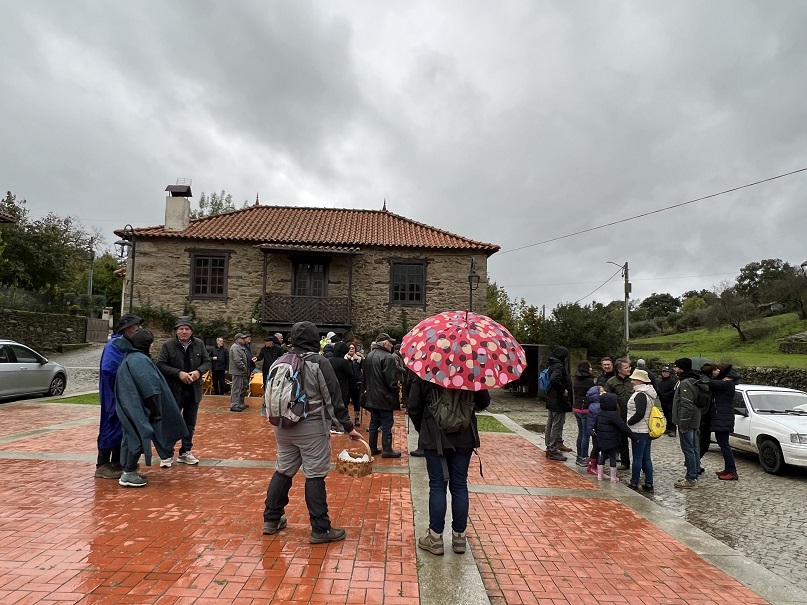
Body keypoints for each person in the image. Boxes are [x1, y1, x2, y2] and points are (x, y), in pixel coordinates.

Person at [262, 321, 362, 543]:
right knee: (315, 475)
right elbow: (333, 399)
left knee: (283, 471)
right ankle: (321, 528)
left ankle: (271, 519)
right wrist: (348, 428)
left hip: (283, 426)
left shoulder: (280, 360)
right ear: (315, 339)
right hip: (311, 427)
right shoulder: (318, 362)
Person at [407, 375, 490, 556]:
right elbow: (484, 402)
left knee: (437, 486)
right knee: (459, 485)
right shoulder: (471, 371)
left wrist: (422, 427)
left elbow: (413, 405)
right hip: (465, 437)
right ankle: (459, 537)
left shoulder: (426, 372)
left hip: (434, 437)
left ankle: (435, 538)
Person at [115, 329, 189, 487]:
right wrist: (155, 411)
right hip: (138, 408)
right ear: (148, 344)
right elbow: (149, 389)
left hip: (130, 406)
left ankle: (128, 471)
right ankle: (128, 473)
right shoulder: (140, 360)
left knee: (131, 437)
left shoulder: (130, 357)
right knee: (137, 437)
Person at [156, 316, 211, 466]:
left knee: (190, 423)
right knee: (171, 422)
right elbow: (160, 364)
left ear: (191, 331)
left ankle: (186, 452)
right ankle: (167, 454)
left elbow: (207, 362)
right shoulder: (168, 345)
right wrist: (178, 373)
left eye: (187, 329)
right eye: (181, 329)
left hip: (193, 390)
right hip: (174, 391)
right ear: (176, 331)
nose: (184, 331)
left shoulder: (199, 344)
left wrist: (198, 372)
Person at [95, 313, 142, 479]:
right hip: (113, 393)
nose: (138, 329)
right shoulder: (115, 344)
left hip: (121, 393)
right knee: (110, 424)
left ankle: (116, 462)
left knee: (120, 427)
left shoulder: (124, 343)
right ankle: (102, 465)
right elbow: (109, 368)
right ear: (127, 328)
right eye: (136, 326)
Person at [671, 357, 710, 489]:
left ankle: (691, 478)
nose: (674, 369)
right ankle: (693, 474)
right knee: (694, 449)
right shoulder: (694, 380)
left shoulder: (686, 383)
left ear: (681, 368)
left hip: (688, 422)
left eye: (676, 367)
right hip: (695, 420)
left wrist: (683, 424)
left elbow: (686, 405)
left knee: (689, 449)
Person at [363, 333, 402, 458]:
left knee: (374, 421)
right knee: (386, 422)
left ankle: (372, 448)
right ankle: (387, 449)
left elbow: (364, 377)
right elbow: (390, 380)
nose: (392, 344)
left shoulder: (369, 356)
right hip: (385, 396)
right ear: (385, 344)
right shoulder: (387, 357)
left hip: (372, 395)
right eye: (390, 342)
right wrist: (396, 391)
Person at [625, 368, 658, 491]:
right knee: (646, 458)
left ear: (639, 380)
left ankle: (634, 482)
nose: (632, 381)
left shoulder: (640, 395)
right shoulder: (649, 393)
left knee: (638, 458)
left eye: (634, 379)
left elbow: (639, 413)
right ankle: (649, 483)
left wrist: (628, 422)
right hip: (646, 430)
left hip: (639, 431)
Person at [595, 393, 636, 482]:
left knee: (603, 455)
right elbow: (623, 427)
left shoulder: (600, 413)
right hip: (612, 440)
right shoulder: (614, 415)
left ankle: (600, 475)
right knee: (612, 457)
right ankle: (613, 477)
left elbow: (595, 425)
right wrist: (634, 437)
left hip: (601, 439)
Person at [709, 363, 740, 480]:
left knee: (724, 445)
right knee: (723, 444)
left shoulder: (727, 384)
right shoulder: (727, 384)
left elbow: (710, 383)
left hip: (723, 418)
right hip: (723, 418)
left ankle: (732, 471)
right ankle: (729, 469)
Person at [604, 358, 633, 470]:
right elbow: (607, 399)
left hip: (633, 415)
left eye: (629, 367)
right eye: (626, 367)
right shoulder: (611, 382)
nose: (629, 369)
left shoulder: (633, 380)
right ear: (619, 369)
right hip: (619, 415)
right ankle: (625, 462)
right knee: (622, 439)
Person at [544, 346, 571, 461]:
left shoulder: (551, 363)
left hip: (551, 398)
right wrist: (563, 390)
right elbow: (554, 379)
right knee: (556, 425)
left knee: (550, 424)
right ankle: (552, 449)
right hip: (558, 400)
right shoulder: (559, 365)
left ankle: (549, 446)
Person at [328, 341, 357, 433]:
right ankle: (343, 424)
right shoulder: (343, 362)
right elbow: (350, 374)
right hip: (342, 386)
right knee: (343, 405)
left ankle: (332, 424)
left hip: (331, 386)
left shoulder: (329, 360)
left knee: (332, 404)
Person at [571, 360, 595, 467]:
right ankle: (584, 456)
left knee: (580, 433)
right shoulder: (589, 381)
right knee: (586, 434)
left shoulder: (576, 379)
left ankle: (579, 456)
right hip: (585, 409)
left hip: (576, 408)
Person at [228, 333, 250, 412]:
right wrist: (243, 367)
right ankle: (234, 405)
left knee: (239, 388)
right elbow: (237, 360)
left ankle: (238, 404)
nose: (244, 339)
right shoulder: (235, 348)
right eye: (242, 338)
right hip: (237, 371)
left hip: (240, 372)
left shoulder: (239, 347)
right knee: (236, 389)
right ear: (237, 339)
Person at [345, 343, 364, 426]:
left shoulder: (359, 359)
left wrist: (359, 360)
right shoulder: (344, 358)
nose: (351, 349)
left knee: (357, 402)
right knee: (346, 402)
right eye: (350, 348)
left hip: (357, 384)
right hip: (347, 383)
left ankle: (357, 418)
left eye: (353, 348)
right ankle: (346, 418)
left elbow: (364, 367)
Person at [584, 386, 601, 475]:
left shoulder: (594, 405)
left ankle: (595, 464)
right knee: (596, 448)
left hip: (594, 430)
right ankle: (592, 465)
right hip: (595, 430)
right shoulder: (597, 406)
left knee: (596, 447)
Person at [656, 366, 677, 437]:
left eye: (666, 372)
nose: (665, 373)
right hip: (663, 401)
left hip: (670, 401)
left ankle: (673, 429)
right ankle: (668, 428)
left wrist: (665, 395)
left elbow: (674, 391)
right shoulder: (660, 382)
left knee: (671, 415)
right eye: (663, 372)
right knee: (666, 415)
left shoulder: (673, 382)